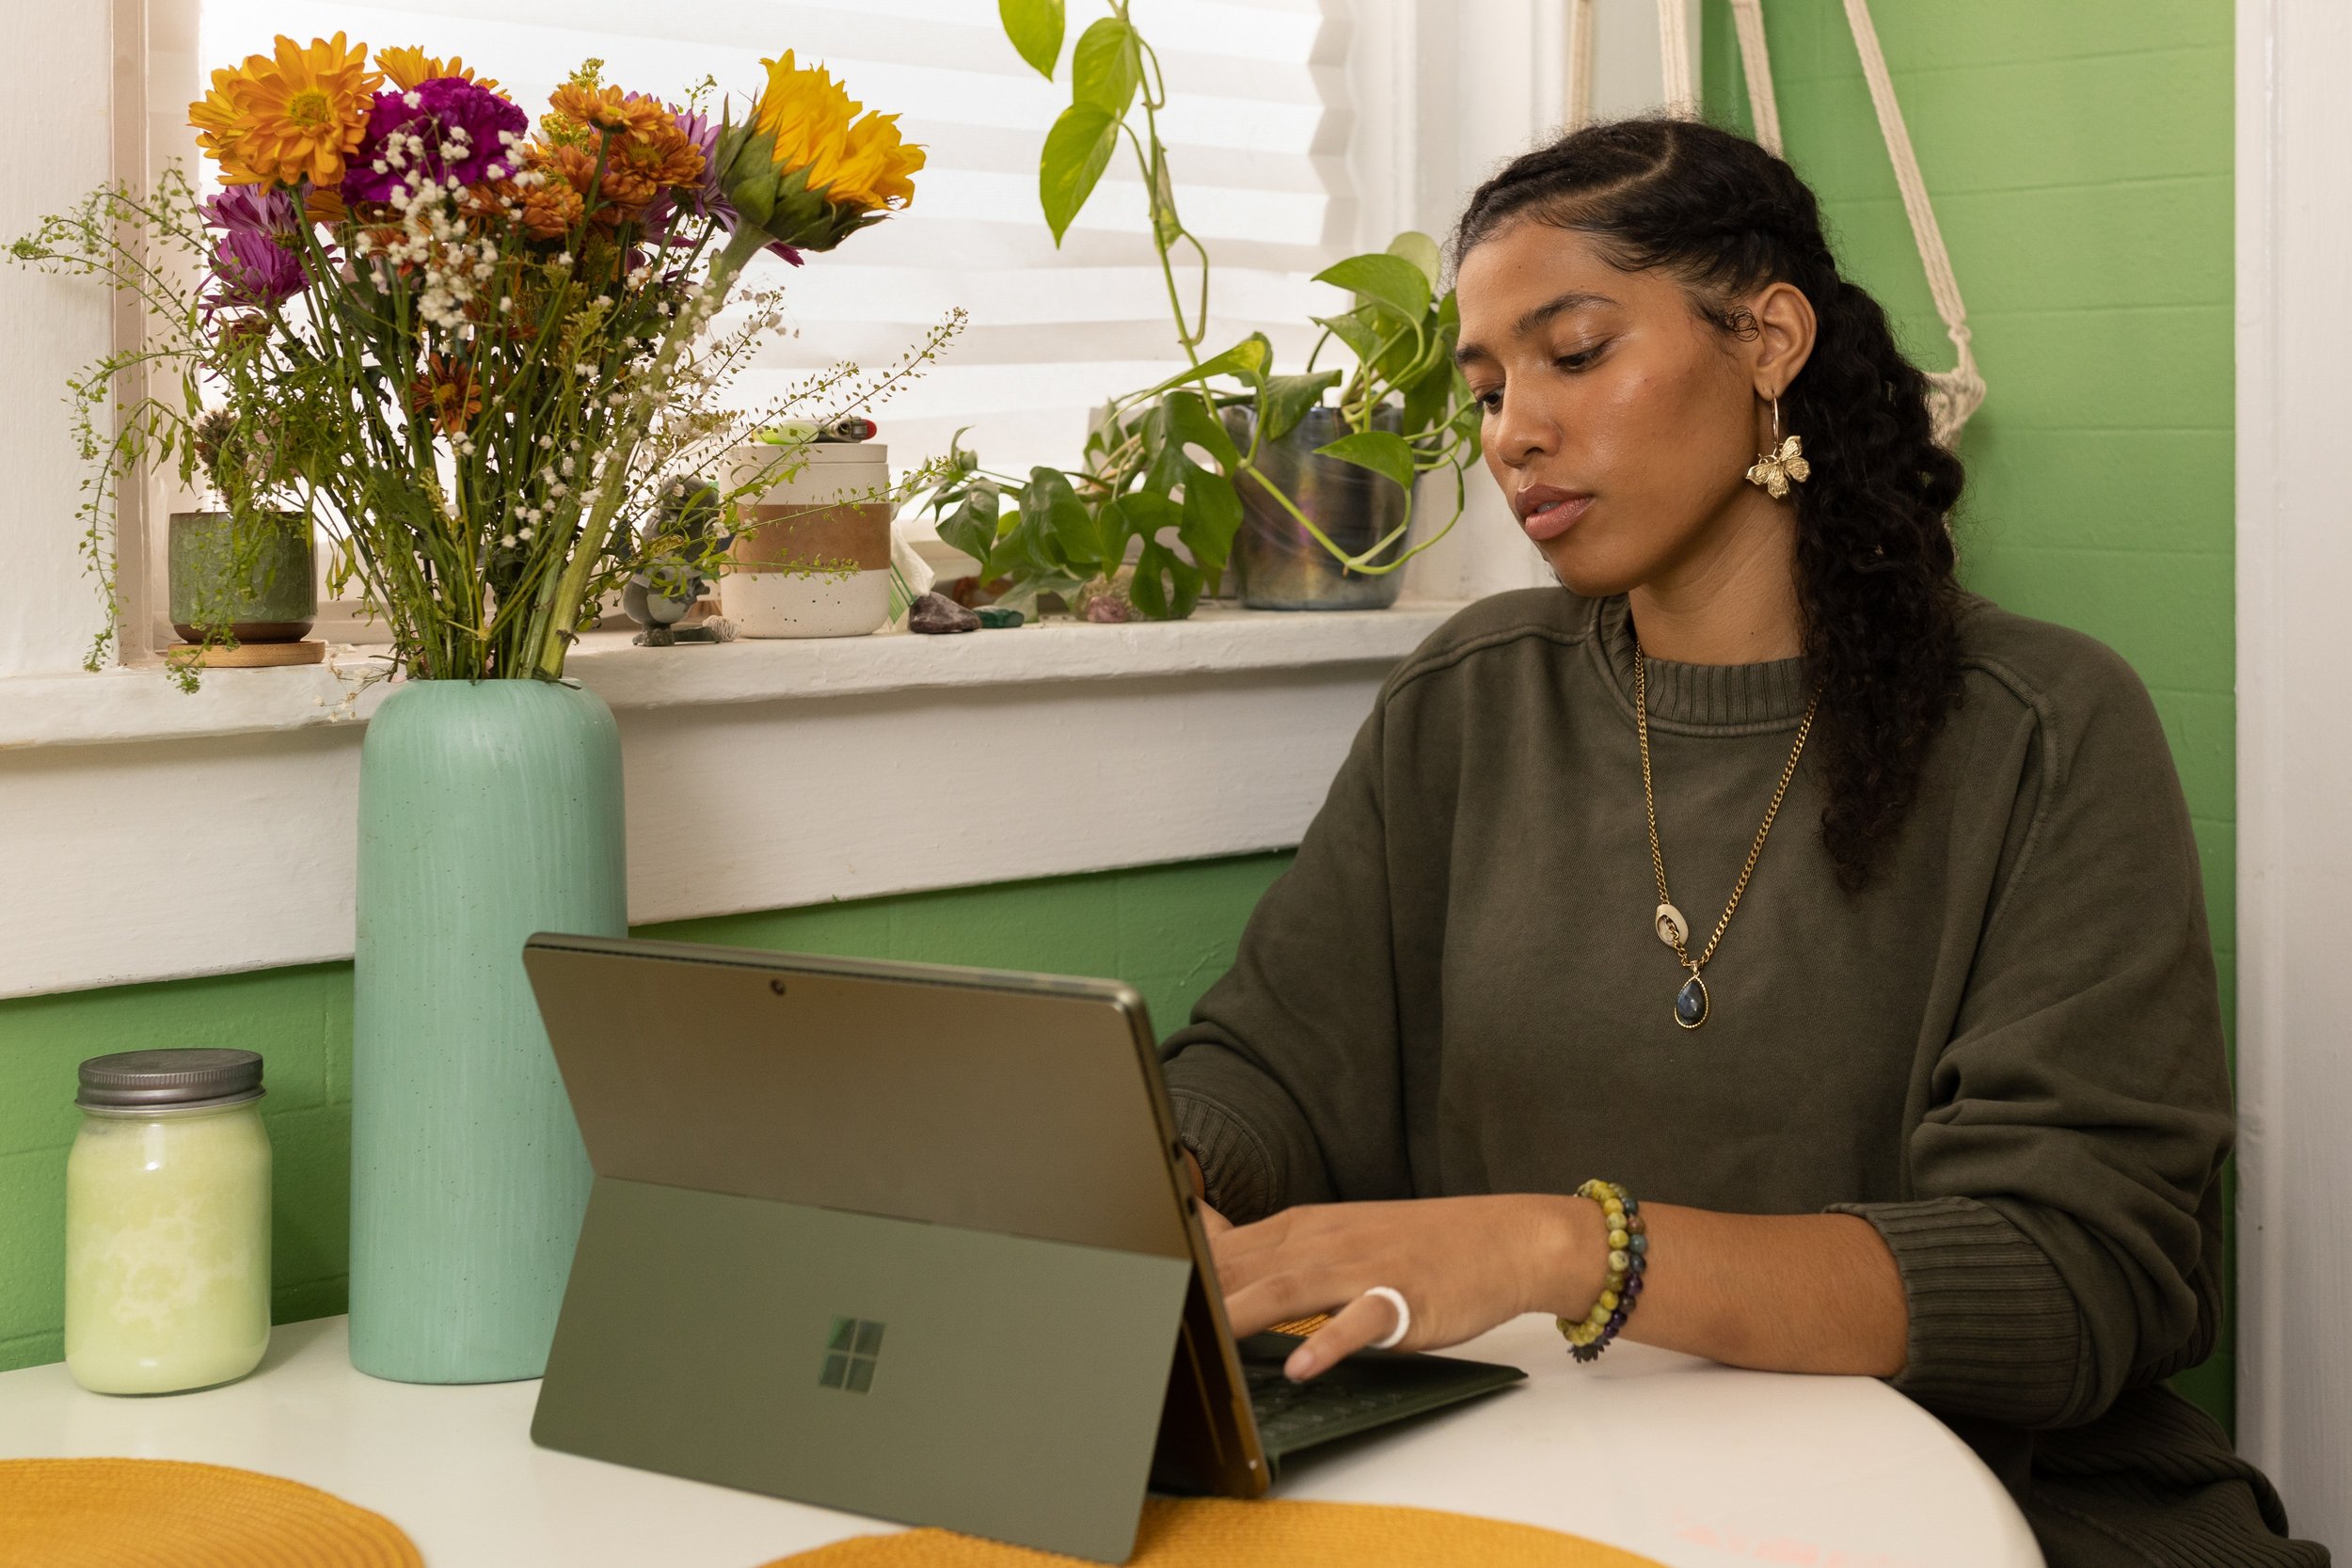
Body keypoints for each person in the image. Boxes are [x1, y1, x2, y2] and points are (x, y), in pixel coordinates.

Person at [1158, 118, 2324, 1567]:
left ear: (1769, 338)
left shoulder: (2044, 727)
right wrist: (1166, 1184)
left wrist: (1568, 1251)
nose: (1515, 425)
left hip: (1993, 1503)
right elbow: (1274, 1064)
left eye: (1573, 351)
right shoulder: (1471, 695)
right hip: (1542, 1483)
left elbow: (2074, 1274)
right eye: (1489, 383)